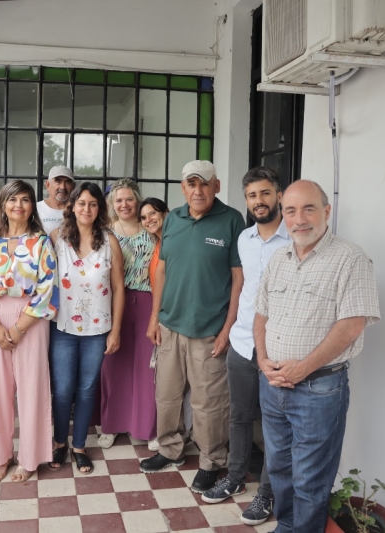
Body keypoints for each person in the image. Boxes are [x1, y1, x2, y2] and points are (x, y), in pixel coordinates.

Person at [254, 180, 380, 532]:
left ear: (327, 211)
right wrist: (263, 361)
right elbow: (261, 315)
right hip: (272, 383)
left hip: (318, 389)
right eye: (291, 210)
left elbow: (351, 325)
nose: (299, 218)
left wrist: (301, 369)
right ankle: (288, 525)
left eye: (309, 208)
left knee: (310, 477)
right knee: (279, 467)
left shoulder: (350, 258)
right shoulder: (279, 257)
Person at [141, 160, 245, 495]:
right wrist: (155, 316)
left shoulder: (232, 221)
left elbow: (238, 279)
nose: (197, 190)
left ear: (216, 186)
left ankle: (211, 461)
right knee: (167, 395)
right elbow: (162, 270)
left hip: (209, 329)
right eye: (191, 184)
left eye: (204, 184)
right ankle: (170, 449)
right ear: (183, 188)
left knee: (208, 401)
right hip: (170, 324)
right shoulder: (172, 219)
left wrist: (229, 326)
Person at [201, 167, 289, 526]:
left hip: (279, 348)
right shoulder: (245, 239)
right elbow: (240, 287)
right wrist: (229, 329)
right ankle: (236, 477)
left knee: (274, 425)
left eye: (265, 193)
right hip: (242, 342)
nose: (259, 201)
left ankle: (268, 493)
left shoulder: (294, 239)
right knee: (238, 417)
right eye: (253, 195)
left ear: (278, 195)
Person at [0, 180, 58, 483]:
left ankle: (30, 458)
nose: (18, 205)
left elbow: (48, 287)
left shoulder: (42, 242)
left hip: (30, 319)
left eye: (24, 200)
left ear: (32, 206)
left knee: (32, 389)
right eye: (12, 200)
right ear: (3, 205)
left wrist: (20, 328)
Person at [48, 183, 125, 475]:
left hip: (97, 329)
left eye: (93, 204)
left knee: (86, 388)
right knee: (63, 389)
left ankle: (79, 446)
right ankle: (58, 442)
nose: (87, 209)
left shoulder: (109, 242)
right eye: (81, 203)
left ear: (99, 209)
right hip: (63, 328)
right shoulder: (57, 239)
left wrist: (115, 330)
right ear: (72, 206)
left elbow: (118, 289)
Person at [98, 179, 157, 450]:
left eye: (129, 199)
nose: (124, 204)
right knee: (114, 364)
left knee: (147, 366)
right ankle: (111, 424)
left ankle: (146, 427)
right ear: (112, 204)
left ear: (137, 200)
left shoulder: (152, 229)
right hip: (113, 302)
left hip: (147, 300)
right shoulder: (105, 232)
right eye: (118, 200)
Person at [139, 197, 193, 438]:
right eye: (143, 217)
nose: (148, 219)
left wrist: (159, 318)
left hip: (176, 317)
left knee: (183, 383)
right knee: (169, 383)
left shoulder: (178, 241)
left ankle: (188, 434)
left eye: (153, 213)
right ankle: (174, 435)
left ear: (166, 213)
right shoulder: (157, 244)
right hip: (163, 315)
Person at [37, 166, 76, 234]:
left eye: (67, 182)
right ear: (48, 185)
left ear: (73, 187)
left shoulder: (78, 210)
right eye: (58, 181)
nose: (63, 187)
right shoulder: (36, 209)